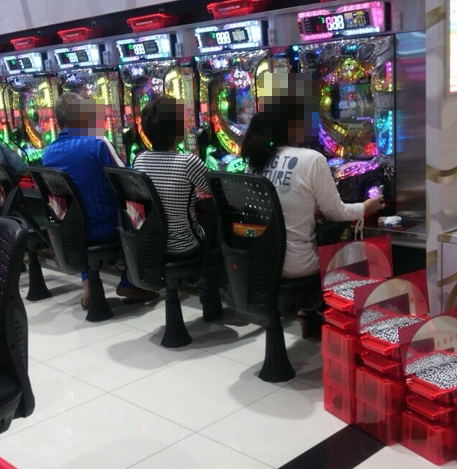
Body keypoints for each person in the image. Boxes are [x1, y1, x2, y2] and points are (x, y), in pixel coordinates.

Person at [242, 100, 384, 334]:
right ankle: (338, 320)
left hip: (259, 262)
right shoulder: (312, 159)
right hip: (296, 265)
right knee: (343, 239)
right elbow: (335, 212)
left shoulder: (255, 160)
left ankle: (306, 312)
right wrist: (365, 207)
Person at [42, 92, 157, 309]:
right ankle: (131, 282)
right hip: (106, 228)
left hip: (69, 231)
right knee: (145, 212)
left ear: (57, 120)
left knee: (81, 213)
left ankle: (88, 287)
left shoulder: (48, 153)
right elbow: (130, 182)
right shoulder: (97, 143)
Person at [132, 95, 223, 321]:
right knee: (217, 236)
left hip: (151, 244)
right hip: (184, 245)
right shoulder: (187, 161)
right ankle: (211, 305)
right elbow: (218, 191)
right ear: (177, 129)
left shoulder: (139, 160)